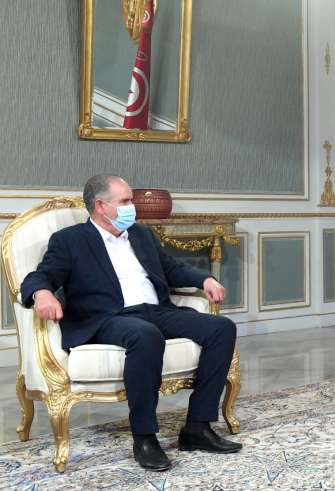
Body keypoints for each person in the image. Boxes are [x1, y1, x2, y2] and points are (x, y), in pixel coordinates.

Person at [21, 175, 242, 471]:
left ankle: (197, 427)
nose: (132, 207)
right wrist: (42, 293)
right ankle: (145, 438)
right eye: (125, 201)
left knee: (221, 328)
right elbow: (40, 276)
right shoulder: (70, 240)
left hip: (156, 310)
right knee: (145, 335)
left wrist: (204, 279)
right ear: (101, 206)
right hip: (107, 317)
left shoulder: (140, 234)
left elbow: (171, 268)